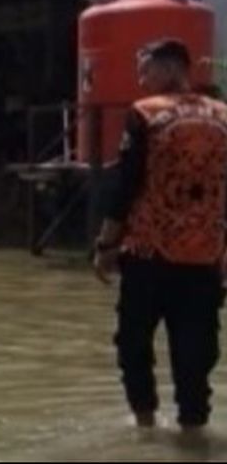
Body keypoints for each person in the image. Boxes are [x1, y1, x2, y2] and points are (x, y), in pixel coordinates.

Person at [94, 39, 227, 431]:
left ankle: (146, 425)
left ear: (171, 69)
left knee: (134, 344)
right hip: (205, 258)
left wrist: (105, 245)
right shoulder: (223, 116)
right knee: (195, 355)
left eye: (146, 69)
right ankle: (193, 434)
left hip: (149, 253)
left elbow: (126, 187)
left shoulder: (144, 114)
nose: (141, 78)